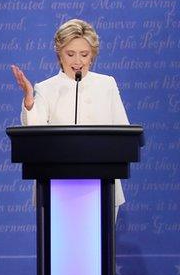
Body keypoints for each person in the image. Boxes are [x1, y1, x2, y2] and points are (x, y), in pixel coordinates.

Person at [10, 18, 130, 208]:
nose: (77, 61)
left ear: (92, 56)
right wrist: (29, 99)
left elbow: (124, 135)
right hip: (56, 189)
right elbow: (34, 135)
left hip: (102, 186)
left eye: (84, 54)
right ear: (59, 55)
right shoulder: (46, 88)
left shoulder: (107, 84)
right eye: (70, 54)